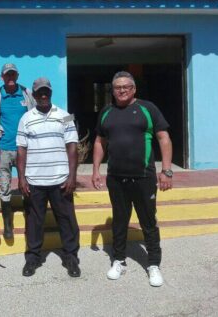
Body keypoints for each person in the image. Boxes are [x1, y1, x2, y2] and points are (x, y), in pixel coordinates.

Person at [92, 71, 173, 287]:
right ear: (113, 89)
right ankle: (119, 261)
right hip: (116, 178)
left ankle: (154, 264)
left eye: (126, 86)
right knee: (119, 220)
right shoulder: (106, 112)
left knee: (148, 222)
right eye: (117, 87)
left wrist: (166, 171)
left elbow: (163, 138)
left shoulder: (148, 108)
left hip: (143, 177)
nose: (121, 90)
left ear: (134, 88)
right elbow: (100, 142)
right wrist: (96, 170)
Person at [16, 77, 81, 278]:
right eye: (39, 92)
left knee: (67, 220)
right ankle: (33, 258)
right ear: (34, 96)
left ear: (51, 93)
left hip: (60, 180)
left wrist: (72, 176)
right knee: (34, 222)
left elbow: (72, 147)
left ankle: (71, 257)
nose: (43, 95)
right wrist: (21, 178)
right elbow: (21, 150)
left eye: (47, 92)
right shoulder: (26, 118)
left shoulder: (65, 116)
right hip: (35, 181)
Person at [0, 63, 35, 239]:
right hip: (4, 149)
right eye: (7, 75)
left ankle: (30, 221)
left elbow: (36, 114)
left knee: (27, 185)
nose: (10, 78)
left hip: (25, 149)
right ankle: (8, 226)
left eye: (13, 74)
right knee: (5, 187)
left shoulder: (26, 93)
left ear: (17, 76)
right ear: (2, 77)